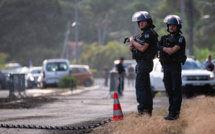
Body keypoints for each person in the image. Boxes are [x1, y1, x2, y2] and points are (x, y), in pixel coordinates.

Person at [129, 11, 158, 116]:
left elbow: (142, 48)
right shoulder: (144, 34)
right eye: (139, 22)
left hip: (144, 64)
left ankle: (142, 112)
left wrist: (132, 41)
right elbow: (139, 49)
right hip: (143, 63)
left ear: (148, 22)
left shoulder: (148, 34)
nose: (140, 23)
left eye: (143, 21)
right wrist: (133, 48)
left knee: (141, 88)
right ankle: (147, 112)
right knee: (145, 89)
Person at [157, 15, 187, 120]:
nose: (171, 27)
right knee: (169, 89)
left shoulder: (180, 39)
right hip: (166, 66)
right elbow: (157, 46)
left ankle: (175, 113)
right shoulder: (164, 38)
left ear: (178, 27)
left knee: (175, 89)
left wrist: (163, 48)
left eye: (173, 25)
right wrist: (165, 48)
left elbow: (172, 50)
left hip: (175, 66)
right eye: (169, 25)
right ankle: (171, 112)